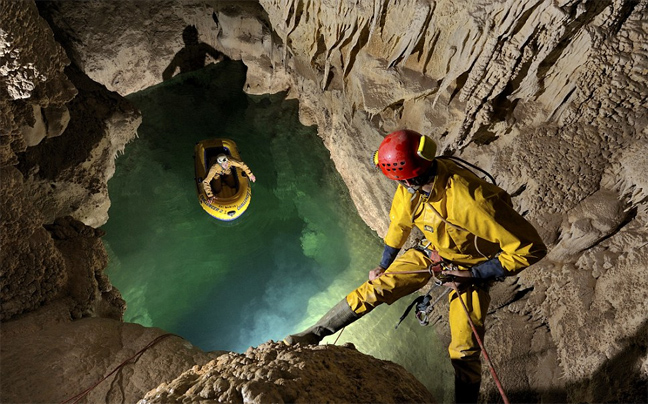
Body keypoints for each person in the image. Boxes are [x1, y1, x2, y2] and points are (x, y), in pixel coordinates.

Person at [283, 129, 547, 403]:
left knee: (464, 351)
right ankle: (311, 335)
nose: (399, 186)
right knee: (373, 289)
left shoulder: (472, 201)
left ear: (410, 177)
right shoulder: (414, 188)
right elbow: (400, 224)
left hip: (471, 269)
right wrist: (383, 265)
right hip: (432, 254)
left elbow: (531, 248)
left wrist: (473, 274)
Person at [162, 25, 228, 81]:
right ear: (196, 37)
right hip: (200, 80)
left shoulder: (181, 54)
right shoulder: (202, 47)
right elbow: (220, 56)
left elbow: (165, 74)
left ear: (184, 39)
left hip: (186, 84)